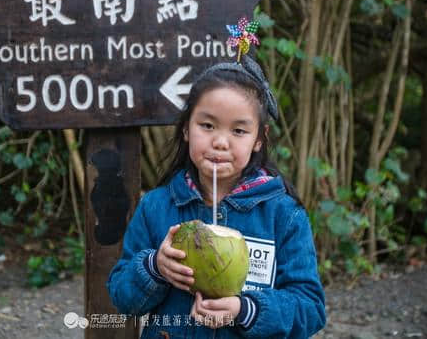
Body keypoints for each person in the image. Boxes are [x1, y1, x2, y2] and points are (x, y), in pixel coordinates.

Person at [107, 45, 326, 338]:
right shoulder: (157, 207)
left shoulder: (283, 215)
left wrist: (245, 310)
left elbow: (310, 309)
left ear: (259, 139)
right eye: (207, 125)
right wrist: (154, 267)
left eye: (238, 131)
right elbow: (122, 298)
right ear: (186, 129)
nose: (220, 142)